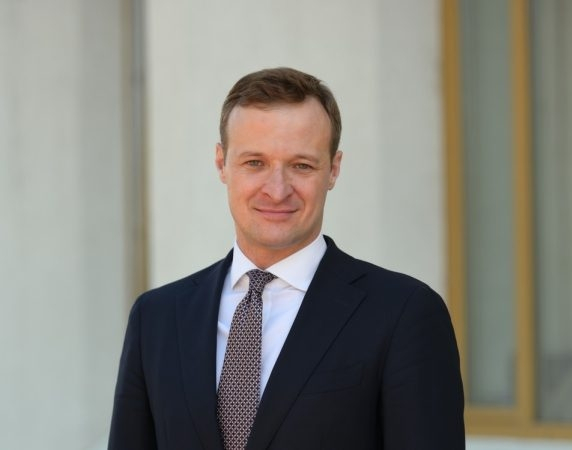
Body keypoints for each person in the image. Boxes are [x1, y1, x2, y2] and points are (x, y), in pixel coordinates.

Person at [108, 67, 465, 449]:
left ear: (334, 170)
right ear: (221, 163)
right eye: (255, 163)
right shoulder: (157, 319)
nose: (277, 191)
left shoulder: (404, 314)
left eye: (301, 165)